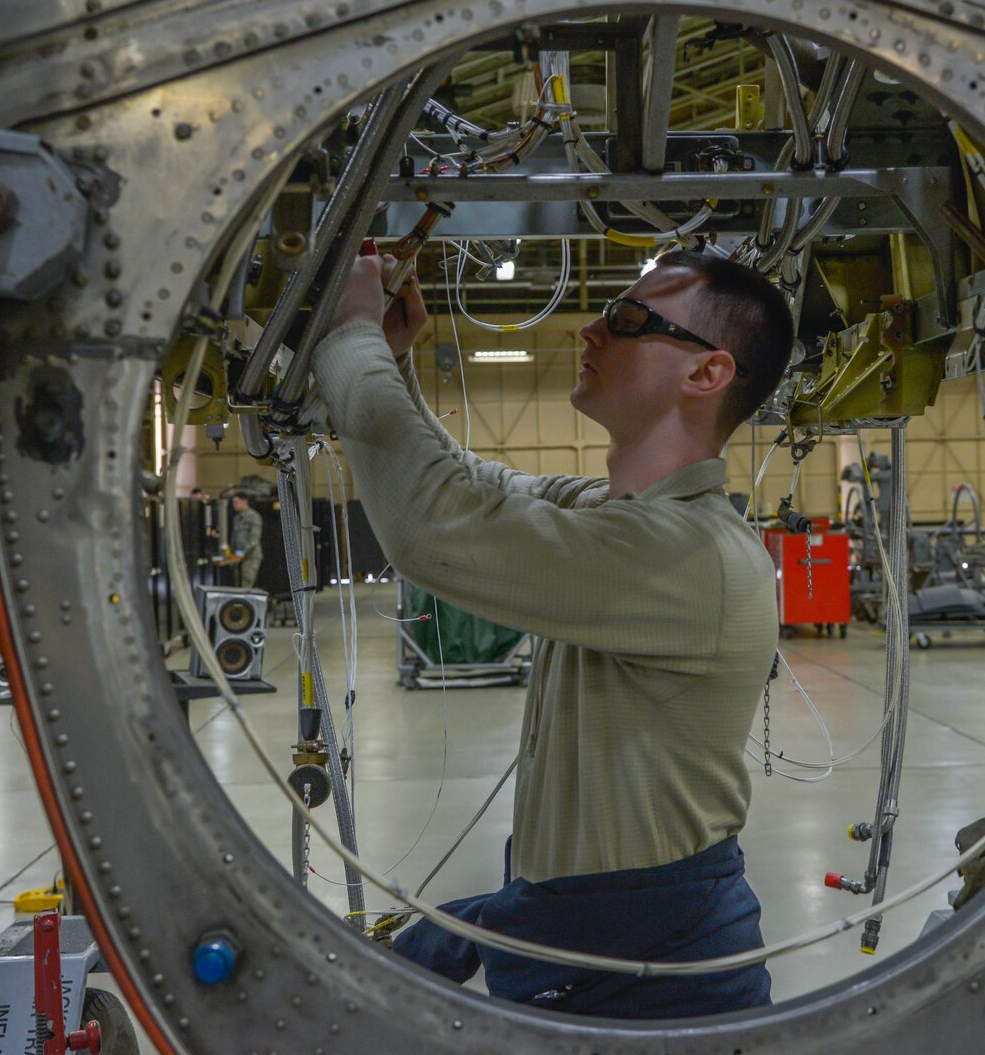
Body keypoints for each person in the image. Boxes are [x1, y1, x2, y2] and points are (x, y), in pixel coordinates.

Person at [312, 248, 793, 1019]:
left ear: (706, 375)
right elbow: (476, 487)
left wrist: (350, 335)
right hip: (593, 944)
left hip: (649, 977)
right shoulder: (623, 518)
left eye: (630, 320)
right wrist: (392, 363)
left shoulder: (688, 557)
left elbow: (434, 527)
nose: (592, 330)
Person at [227, 492, 263, 589]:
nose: (234, 505)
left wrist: (242, 553)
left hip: (250, 556)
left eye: (236, 502)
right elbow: (234, 538)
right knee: (237, 583)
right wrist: (232, 554)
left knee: (246, 583)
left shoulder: (254, 517)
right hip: (238, 557)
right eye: (233, 503)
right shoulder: (237, 518)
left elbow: (254, 540)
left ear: (245, 502)